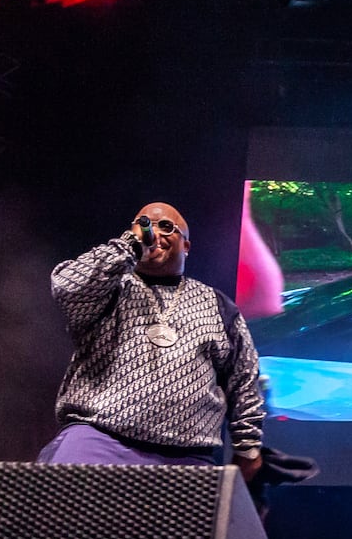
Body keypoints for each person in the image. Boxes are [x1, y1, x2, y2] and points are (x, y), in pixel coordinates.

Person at [39, 202, 264, 481]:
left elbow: (243, 377)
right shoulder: (110, 288)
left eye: (166, 227)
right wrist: (129, 246)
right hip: (99, 440)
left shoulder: (217, 305)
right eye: (144, 224)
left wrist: (248, 444)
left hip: (187, 455)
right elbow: (66, 286)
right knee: (59, 515)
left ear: (186, 246)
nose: (154, 232)